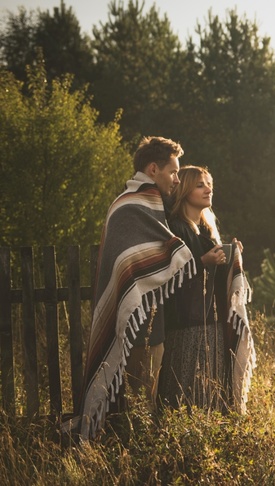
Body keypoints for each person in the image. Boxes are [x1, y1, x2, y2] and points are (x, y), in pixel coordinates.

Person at [74, 136, 194, 440]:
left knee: (144, 397)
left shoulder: (145, 201)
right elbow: (137, 262)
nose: (177, 180)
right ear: (153, 169)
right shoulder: (133, 204)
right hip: (138, 325)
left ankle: (134, 448)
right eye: (173, 172)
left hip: (148, 319)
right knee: (140, 399)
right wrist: (182, 252)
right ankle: (136, 453)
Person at [158, 165, 256, 413]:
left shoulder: (204, 228)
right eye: (200, 185)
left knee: (209, 391)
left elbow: (214, 273)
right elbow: (171, 274)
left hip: (209, 321)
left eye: (209, 184)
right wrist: (204, 262)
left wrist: (233, 254)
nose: (208, 189)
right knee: (187, 392)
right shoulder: (177, 227)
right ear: (185, 190)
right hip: (186, 323)